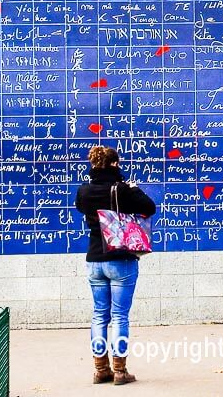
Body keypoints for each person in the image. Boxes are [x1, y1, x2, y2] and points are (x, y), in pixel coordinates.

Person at [74, 145, 157, 385]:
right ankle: (120, 370)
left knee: (100, 315)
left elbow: (81, 208)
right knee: (120, 315)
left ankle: (100, 369)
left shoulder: (84, 190)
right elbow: (149, 207)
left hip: (94, 260)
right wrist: (131, 186)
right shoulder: (122, 190)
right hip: (120, 257)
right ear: (114, 164)